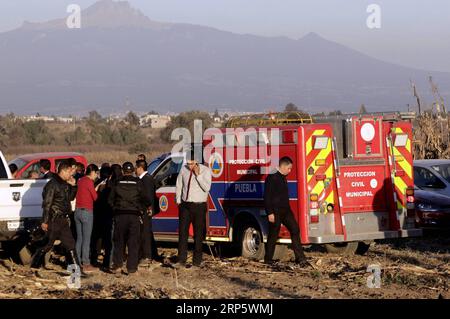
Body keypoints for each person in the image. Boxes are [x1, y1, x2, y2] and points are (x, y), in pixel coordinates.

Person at [31, 160, 83, 273]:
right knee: (47, 245)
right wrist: (44, 221)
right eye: (70, 172)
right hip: (53, 219)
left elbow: (70, 198)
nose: (71, 175)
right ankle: (34, 267)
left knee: (70, 244)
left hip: (63, 219)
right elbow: (47, 204)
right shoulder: (52, 184)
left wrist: (74, 186)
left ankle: (76, 271)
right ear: (63, 171)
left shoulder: (65, 183)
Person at [264, 156, 310, 267]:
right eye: (289, 168)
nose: (290, 171)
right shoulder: (272, 177)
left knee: (295, 229)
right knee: (273, 235)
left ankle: (300, 258)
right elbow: (267, 196)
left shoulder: (283, 176)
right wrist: (269, 212)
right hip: (275, 211)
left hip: (286, 210)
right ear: (283, 166)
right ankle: (268, 259)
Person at [108, 162, 151, 275]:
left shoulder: (117, 182)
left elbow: (110, 199)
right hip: (134, 215)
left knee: (119, 242)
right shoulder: (138, 182)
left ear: (123, 171)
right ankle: (131, 268)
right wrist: (141, 208)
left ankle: (117, 266)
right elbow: (146, 199)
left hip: (120, 215)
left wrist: (115, 209)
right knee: (133, 243)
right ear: (132, 171)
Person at [175, 158, 212, 268]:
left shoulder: (205, 171)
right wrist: (178, 201)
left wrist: (198, 175)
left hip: (199, 205)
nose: (189, 166)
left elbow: (207, 187)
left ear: (197, 162)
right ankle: (181, 259)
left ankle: (197, 261)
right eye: (188, 163)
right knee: (183, 233)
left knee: (198, 234)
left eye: (192, 163)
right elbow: (179, 185)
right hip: (185, 205)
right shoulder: (183, 170)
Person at [74, 164, 100, 273]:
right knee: (86, 239)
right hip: (86, 212)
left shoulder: (80, 180)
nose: (96, 175)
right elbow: (95, 197)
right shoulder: (89, 182)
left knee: (79, 238)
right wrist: (96, 189)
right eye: (96, 173)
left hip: (77, 211)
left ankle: (76, 262)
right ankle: (86, 263)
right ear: (93, 172)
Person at [135, 160, 159, 267]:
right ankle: (147, 254)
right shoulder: (142, 179)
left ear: (140, 168)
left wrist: (149, 209)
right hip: (144, 210)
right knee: (144, 233)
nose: (135, 170)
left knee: (145, 233)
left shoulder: (147, 179)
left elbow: (149, 197)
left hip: (146, 210)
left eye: (136, 167)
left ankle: (147, 256)